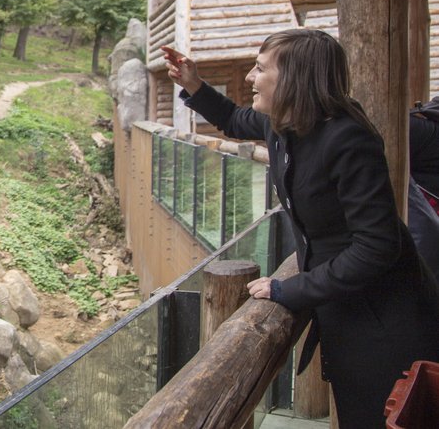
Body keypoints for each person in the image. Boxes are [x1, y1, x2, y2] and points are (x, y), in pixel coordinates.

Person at [162, 29, 439, 428]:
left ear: (293, 78)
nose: (249, 78)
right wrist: (193, 84)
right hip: (344, 308)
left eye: (259, 69)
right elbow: (235, 119)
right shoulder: (283, 124)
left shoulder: (348, 139)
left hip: (386, 324)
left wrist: (288, 289)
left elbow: (377, 246)